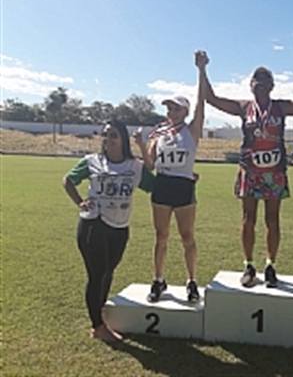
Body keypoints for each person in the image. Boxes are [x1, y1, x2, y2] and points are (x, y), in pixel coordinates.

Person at [198, 51, 293, 288]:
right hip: (250, 170)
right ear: (250, 85)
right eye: (257, 81)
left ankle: (271, 265)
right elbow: (210, 98)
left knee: (273, 220)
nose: (261, 84)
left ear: (272, 85)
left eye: (265, 81)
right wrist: (202, 69)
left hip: (274, 171)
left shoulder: (280, 108)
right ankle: (249, 265)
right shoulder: (244, 108)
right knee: (247, 218)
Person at [62, 119, 154, 342]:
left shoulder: (135, 167)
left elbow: (155, 187)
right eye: (105, 134)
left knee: (109, 272)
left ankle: (99, 312)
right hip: (94, 225)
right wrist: (80, 202)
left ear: (123, 139)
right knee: (97, 274)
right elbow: (68, 180)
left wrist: (186, 182)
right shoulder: (92, 161)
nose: (108, 139)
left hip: (120, 227)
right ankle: (98, 327)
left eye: (113, 135)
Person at [134, 51, 207, 303]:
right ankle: (158, 279)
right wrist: (141, 146)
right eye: (168, 108)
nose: (171, 111)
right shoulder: (159, 134)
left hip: (184, 186)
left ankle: (192, 281)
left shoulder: (191, 130)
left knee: (187, 237)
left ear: (185, 111)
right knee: (161, 237)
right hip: (162, 186)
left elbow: (202, 102)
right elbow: (151, 165)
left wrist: (201, 70)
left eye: (176, 108)